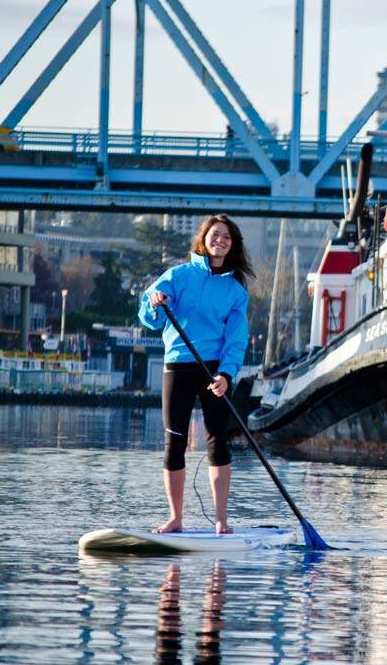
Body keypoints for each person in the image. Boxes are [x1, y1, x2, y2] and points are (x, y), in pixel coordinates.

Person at [139, 214, 253, 535]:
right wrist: (155, 302)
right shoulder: (177, 276)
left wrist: (227, 375)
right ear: (203, 239)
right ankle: (175, 518)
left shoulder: (235, 292)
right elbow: (149, 316)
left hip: (213, 370)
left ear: (233, 246)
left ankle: (220, 520)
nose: (221, 241)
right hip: (178, 365)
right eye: (216, 235)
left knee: (218, 442)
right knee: (174, 442)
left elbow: (236, 339)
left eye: (227, 237)